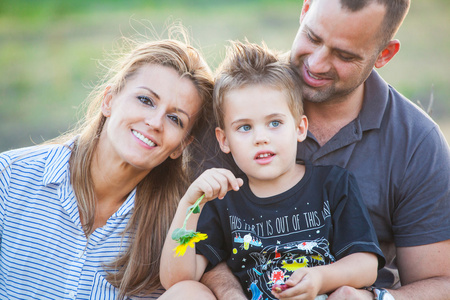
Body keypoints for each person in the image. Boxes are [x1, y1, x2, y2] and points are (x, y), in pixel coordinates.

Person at [198, 0, 450, 299]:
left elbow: (440, 282)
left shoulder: (416, 142)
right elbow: (199, 240)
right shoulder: (238, 100)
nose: (315, 65)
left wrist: (370, 298)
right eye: (313, 37)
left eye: (344, 55)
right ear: (305, 10)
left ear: (384, 54)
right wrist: (228, 291)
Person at [0, 27, 216, 299]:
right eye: (145, 100)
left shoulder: (174, 225)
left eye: (175, 119)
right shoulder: (9, 177)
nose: (155, 122)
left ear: (181, 146)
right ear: (109, 101)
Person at [160, 41, 385, 300]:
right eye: (245, 127)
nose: (261, 138)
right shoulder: (221, 200)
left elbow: (366, 267)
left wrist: (321, 277)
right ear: (224, 140)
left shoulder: (333, 185)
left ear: (300, 128)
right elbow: (177, 281)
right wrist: (190, 205)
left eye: (275, 123)